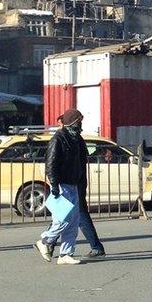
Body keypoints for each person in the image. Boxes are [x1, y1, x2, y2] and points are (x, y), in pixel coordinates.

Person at [34, 109, 105, 265]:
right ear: (72, 123)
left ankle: (66, 254)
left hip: (74, 184)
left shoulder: (76, 139)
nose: (80, 125)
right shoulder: (58, 139)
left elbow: (80, 161)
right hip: (62, 185)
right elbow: (50, 165)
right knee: (64, 220)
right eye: (78, 122)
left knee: (73, 221)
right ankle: (45, 240)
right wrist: (54, 185)